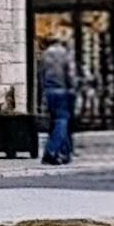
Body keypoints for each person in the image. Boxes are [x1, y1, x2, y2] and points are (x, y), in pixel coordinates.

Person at [36, 32, 79, 166]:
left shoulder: (44, 55)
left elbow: (40, 76)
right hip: (62, 90)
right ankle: (51, 151)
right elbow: (70, 73)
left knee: (57, 121)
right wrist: (73, 88)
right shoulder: (65, 54)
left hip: (49, 91)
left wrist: (42, 93)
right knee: (62, 121)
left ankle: (65, 153)